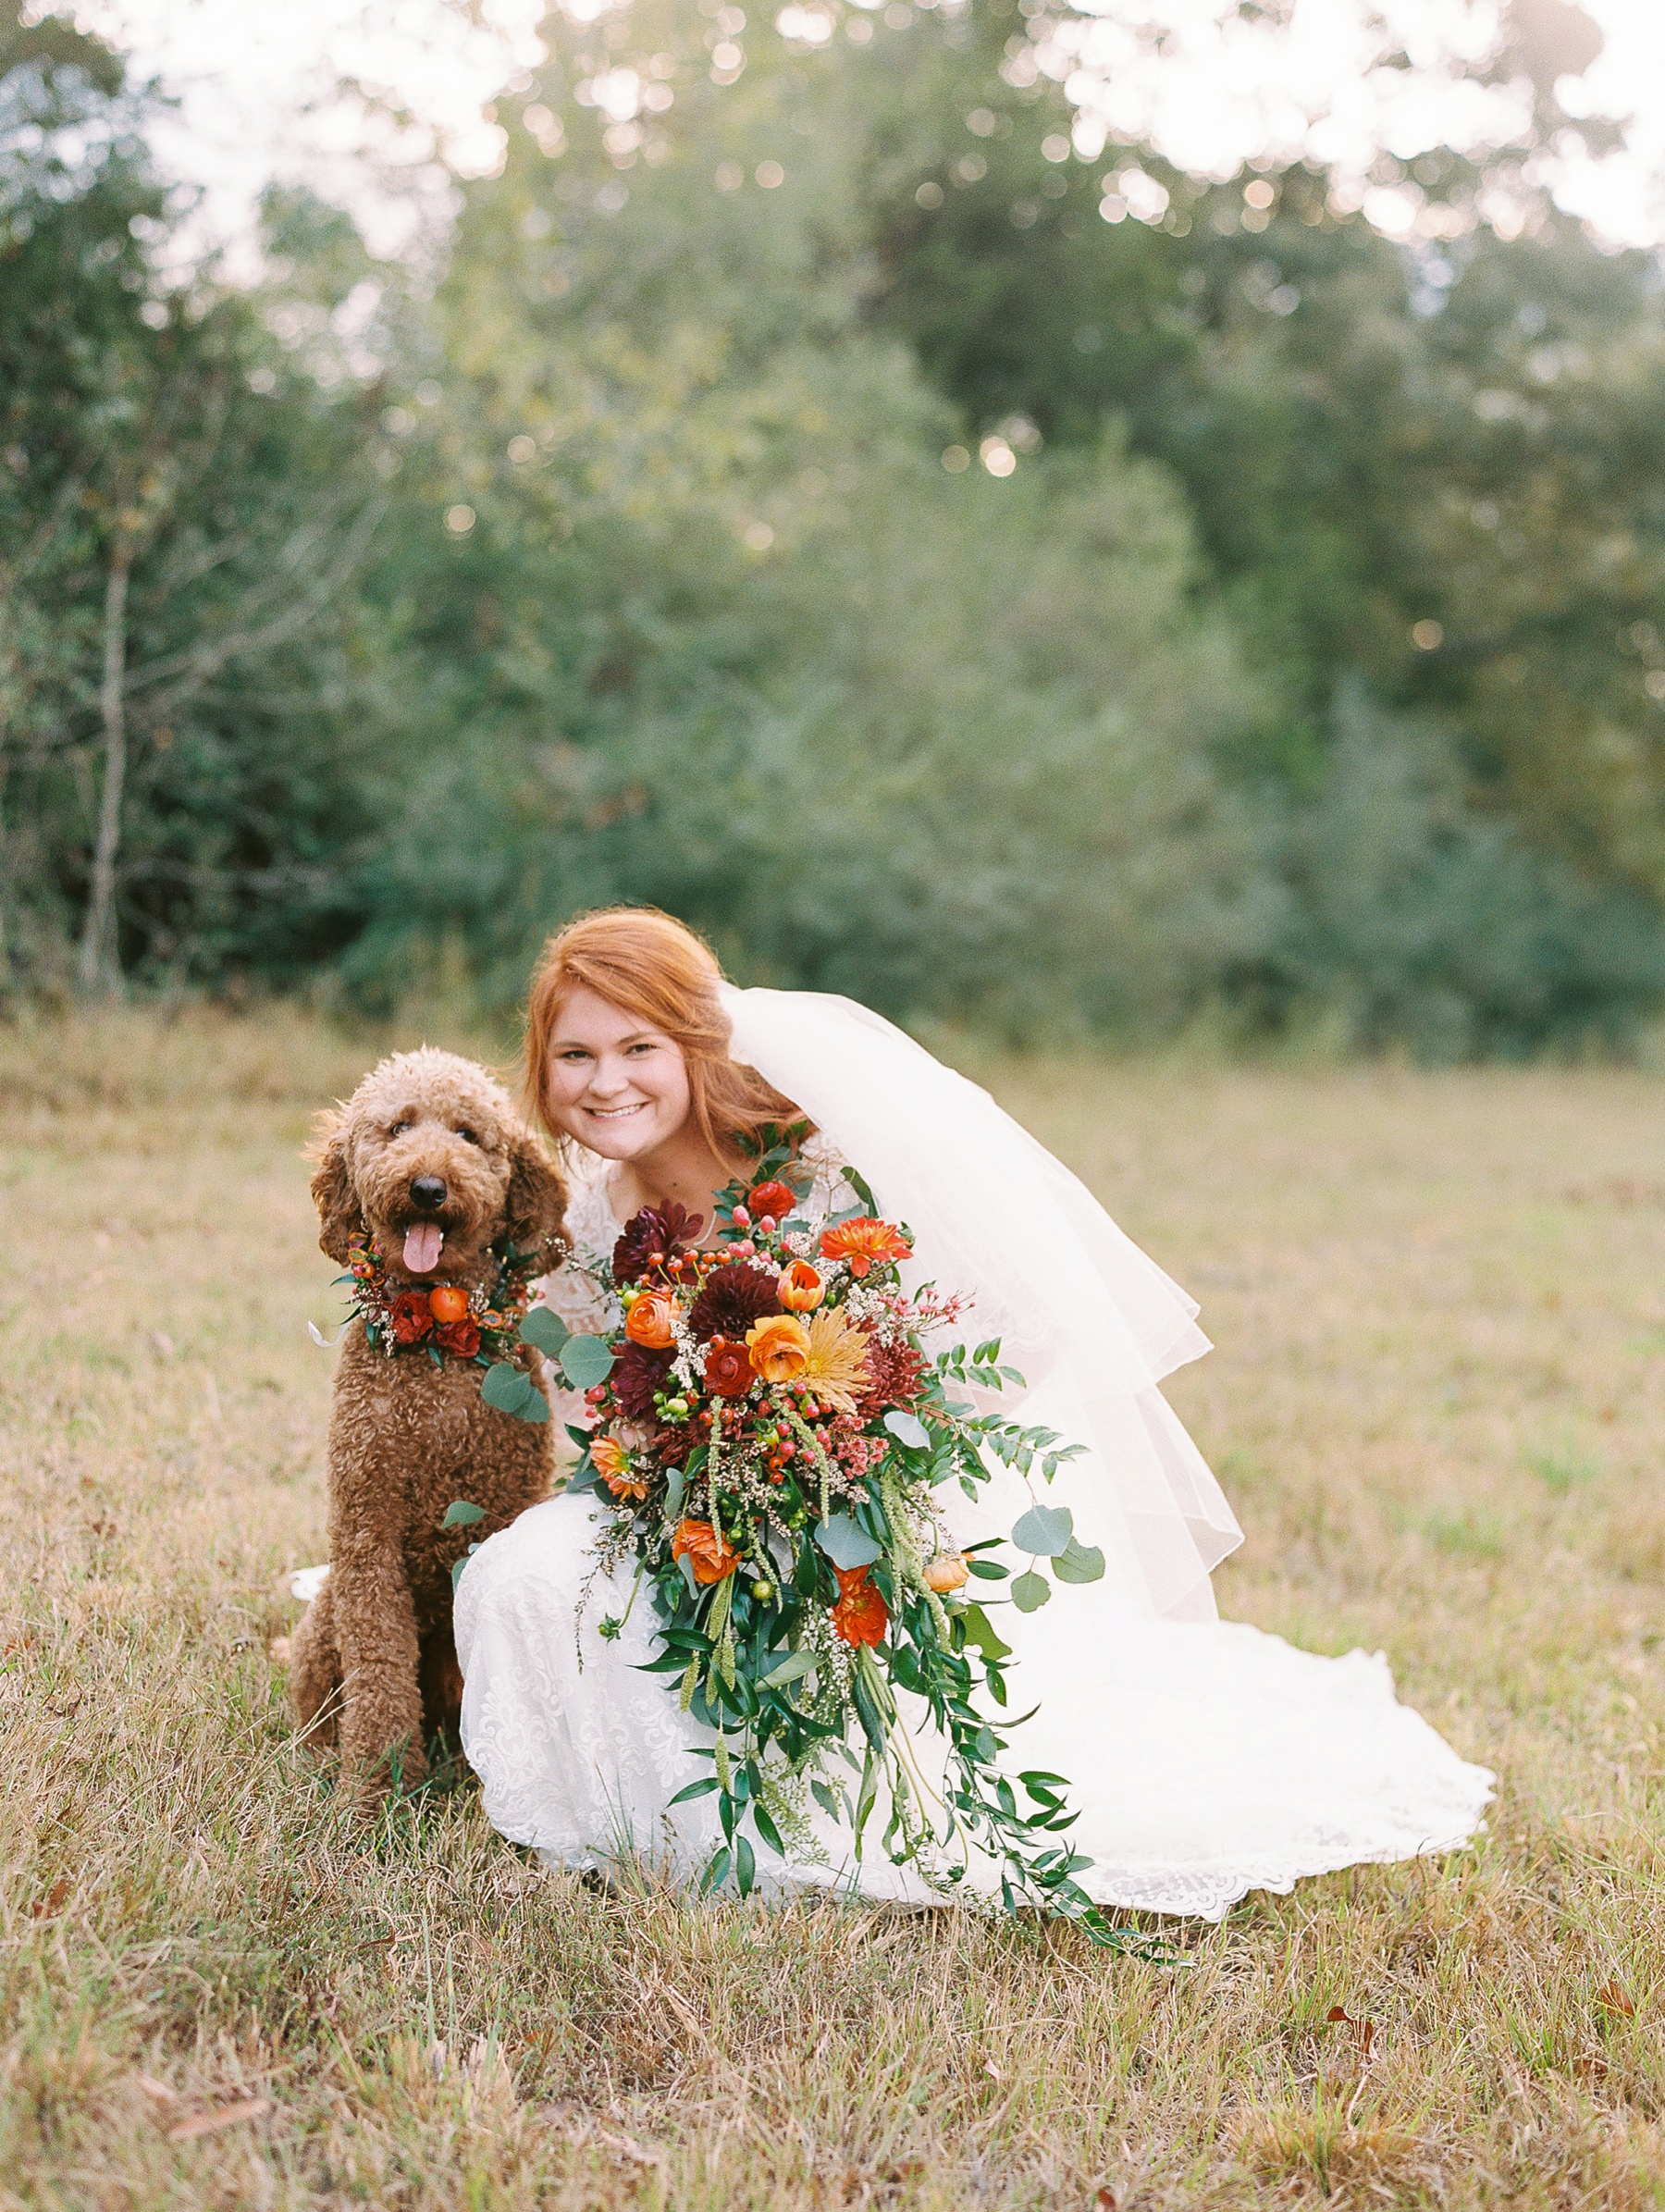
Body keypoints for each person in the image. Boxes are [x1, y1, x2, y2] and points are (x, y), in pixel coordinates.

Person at [454, 908, 1493, 1921]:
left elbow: (1030, 1330)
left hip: (887, 1495)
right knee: (521, 1571)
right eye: (575, 1054)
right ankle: (585, 1821)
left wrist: (851, 1452)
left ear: (697, 1045)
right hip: (700, 1503)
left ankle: (767, 1812)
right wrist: (681, 1458)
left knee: (839, 1668)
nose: (606, 1081)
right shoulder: (588, 1211)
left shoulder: (822, 1164)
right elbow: (598, 1405)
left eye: (637, 1046)